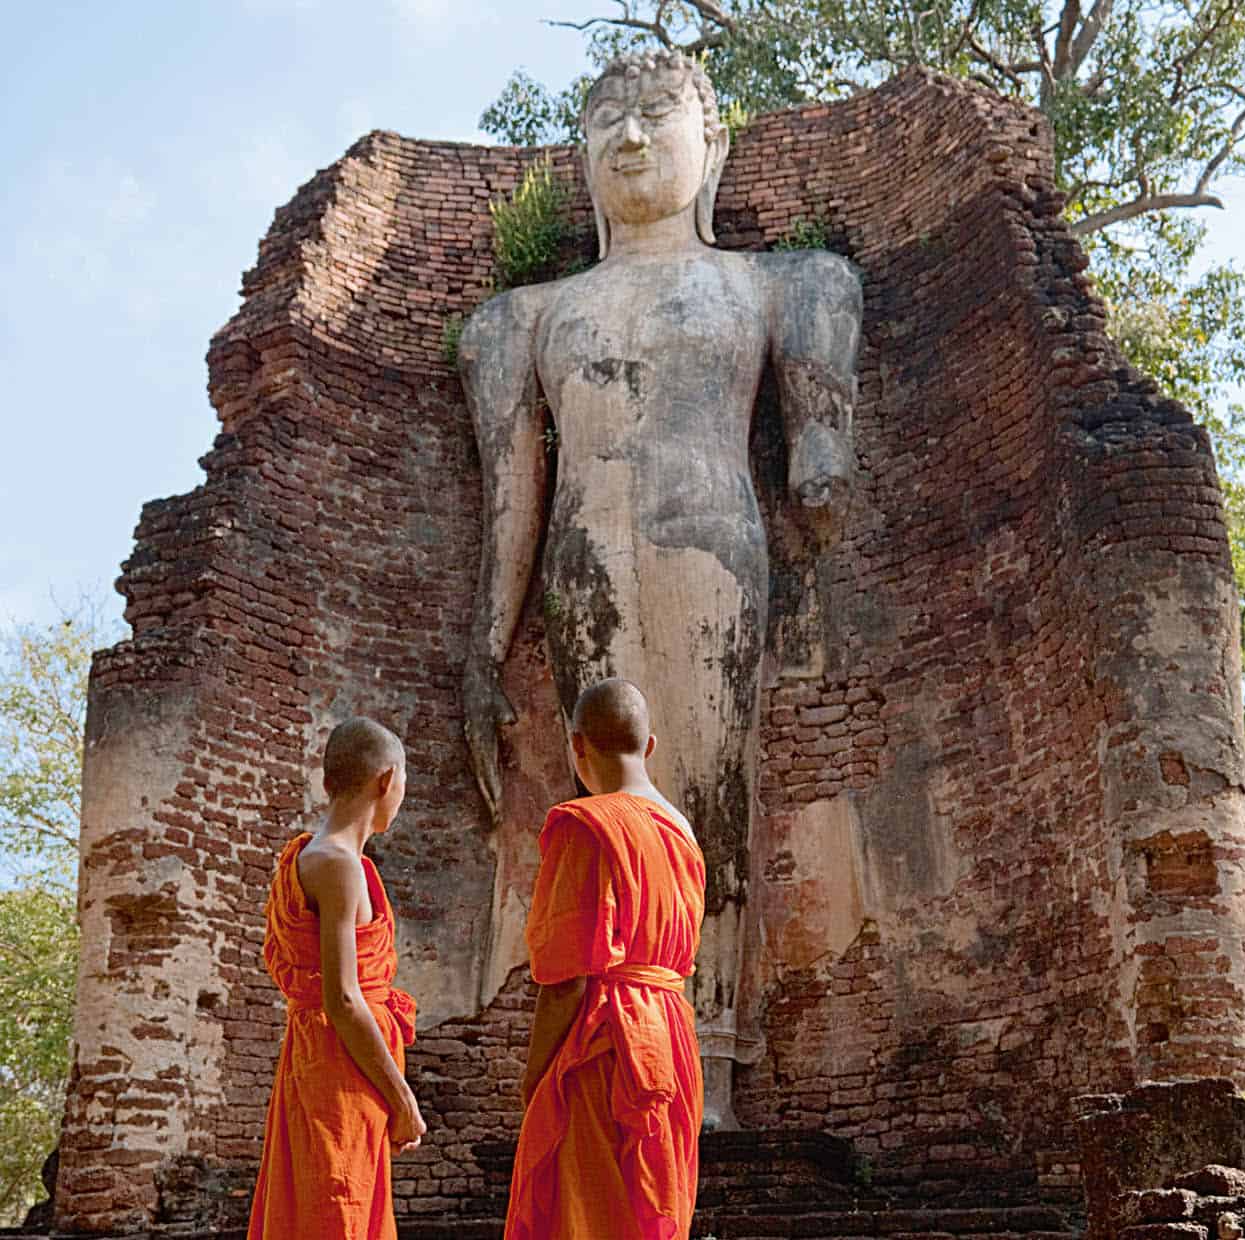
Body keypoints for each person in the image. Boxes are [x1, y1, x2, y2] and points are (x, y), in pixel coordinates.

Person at [459, 49, 860, 1125]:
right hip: (584, 558)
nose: (631, 141)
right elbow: (513, 507)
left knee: (706, 800)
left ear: (711, 144)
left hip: (710, 548)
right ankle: (606, 1052)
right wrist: (483, 649)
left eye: (656, 115)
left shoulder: (775, 283)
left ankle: (705, 1066)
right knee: (605, 810)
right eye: (607, 124)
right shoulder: (526, 319)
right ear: (583, 161)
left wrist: (823, 447)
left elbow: (822, 450)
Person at [505, 679, 706, 1240]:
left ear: (578, 747)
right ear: (649, 747)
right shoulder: (685, 834)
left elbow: (564, 979)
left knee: (587, 1219)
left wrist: (534, 1082)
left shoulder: (585, 826)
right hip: (669, 1045)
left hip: (604, 1048)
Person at [247, 717, 426, 1240]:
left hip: (315, 1060)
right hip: (339, 1067)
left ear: (328, 783)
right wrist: (403, 1101)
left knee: (323, 1205)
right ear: (387, 781)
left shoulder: (308, 856)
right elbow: (344, 999)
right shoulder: (340, 865)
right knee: (338, 1209)